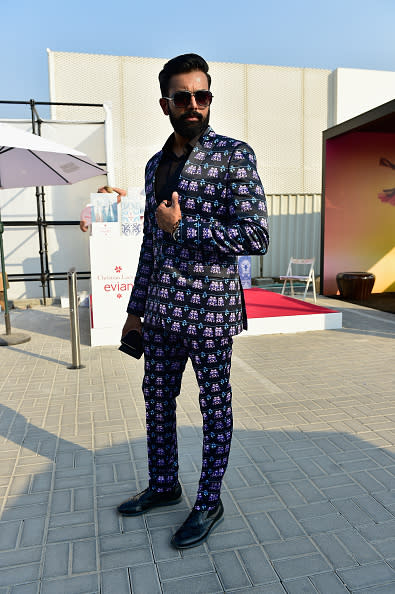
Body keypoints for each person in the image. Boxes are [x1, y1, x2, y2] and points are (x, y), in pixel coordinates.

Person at [117, 53, 269, 549]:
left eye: (202, 96)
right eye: (182, 97)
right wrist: (134, 313)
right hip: (160, 312)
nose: (194, 105)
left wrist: (185, 226)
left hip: (208, 312)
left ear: (209, 99)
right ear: (166, 103)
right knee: (157, 402)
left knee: (214, 406)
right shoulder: (154, 165)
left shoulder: (233, 155)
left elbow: (255, 235)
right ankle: (164, 485)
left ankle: (209, 500)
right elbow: (150, 244)